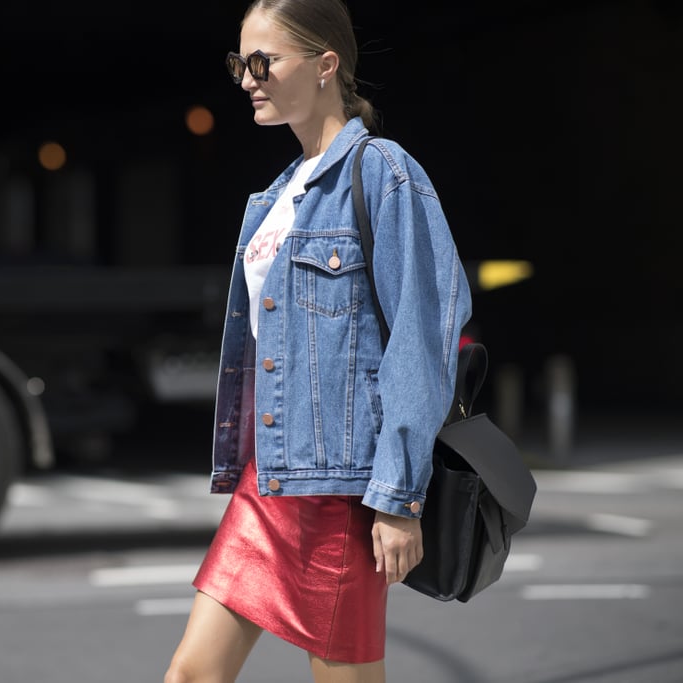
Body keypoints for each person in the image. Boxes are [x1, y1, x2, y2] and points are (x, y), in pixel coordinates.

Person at [163, 1, 473, 682]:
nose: (246, 77)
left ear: (326, 65)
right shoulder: (276, 195)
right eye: (238, 63)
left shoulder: (384, 173)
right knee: (191, 673)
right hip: (270, 481)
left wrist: (398, 498)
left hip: (340, 496)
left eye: (262, 61)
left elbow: (422, 340)